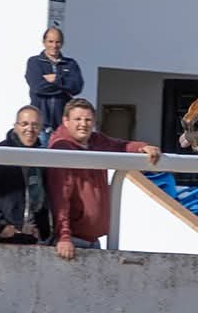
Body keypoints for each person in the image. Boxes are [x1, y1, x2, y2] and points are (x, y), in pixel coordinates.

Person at [47, 98, 160, 260]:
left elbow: (120, 147)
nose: (83, 124)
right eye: (78, 119)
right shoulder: (61, 149)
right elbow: (60, 197)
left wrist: (142, 147)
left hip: (93, 241)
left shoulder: (96, 140)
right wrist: (64, 237)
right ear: (66, 121)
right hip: (72, 243)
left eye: (88, 120)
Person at [0, 105, 50, 244]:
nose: (30, 129)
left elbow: (44, 198)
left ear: (40, 128)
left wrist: (42, 229)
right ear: (15, 126)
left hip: (31, 238)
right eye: (24, 124)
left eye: (35, 125)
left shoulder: (42, 158)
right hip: (3, 237)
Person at [25, 27, 84, 143]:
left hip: (62, 127)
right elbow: (38, 88)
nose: (54, 45)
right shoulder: (34, 62)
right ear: (44, 42)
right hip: (40, 127)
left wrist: (56, 79)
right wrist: (65, 86)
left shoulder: (70, 64)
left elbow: (76, 87)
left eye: (58, 42)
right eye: (50, 41)